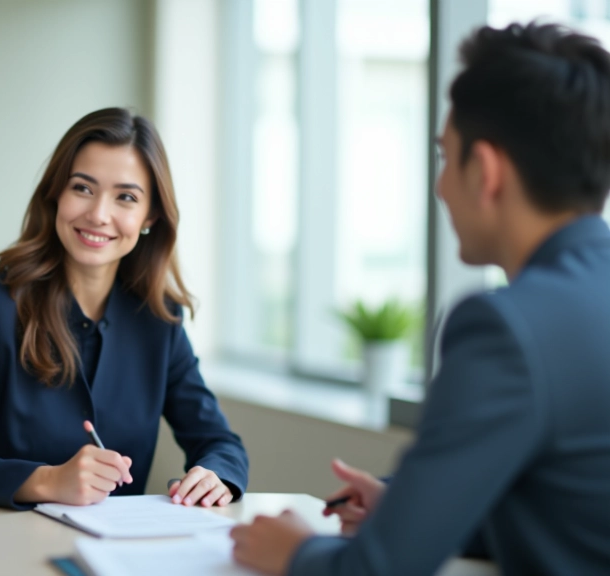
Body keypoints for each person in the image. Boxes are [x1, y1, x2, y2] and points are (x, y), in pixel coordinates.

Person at [230, 21, 610, 576]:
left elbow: (380, 570)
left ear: (485, 171)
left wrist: (294, 551)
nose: (439, 188)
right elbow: (576, 510)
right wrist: (414, 509)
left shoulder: (507, 328)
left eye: (444, 157)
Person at [0, 107, 249, 509]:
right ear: (56, 193)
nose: (98, 214)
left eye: (126, 197)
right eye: (82, 188)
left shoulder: (160, 319)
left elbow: (218, 442)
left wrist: (216, 475)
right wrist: (47, 481)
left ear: (150, 216)